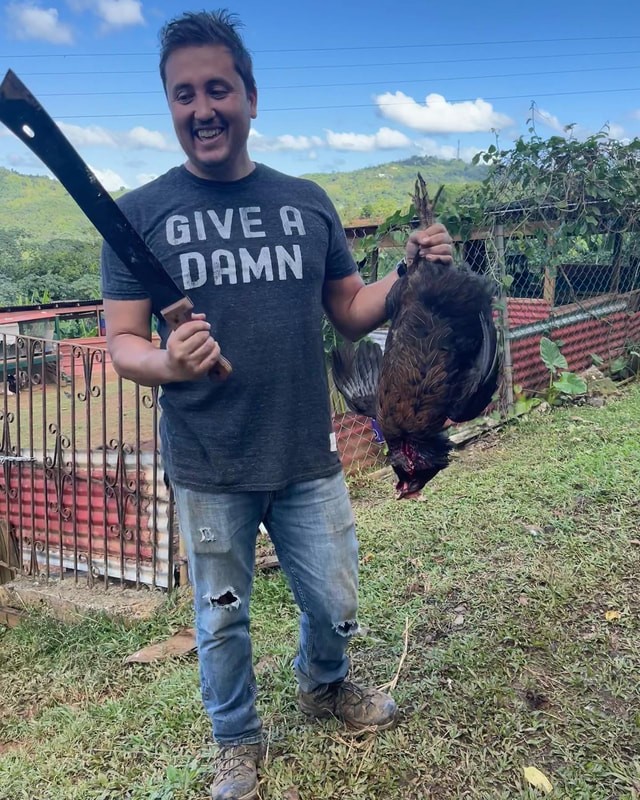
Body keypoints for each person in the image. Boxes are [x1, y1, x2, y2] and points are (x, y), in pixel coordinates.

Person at [101, 9, 454, 800]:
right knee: (222, 616)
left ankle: (324, 684)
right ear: (170, 107)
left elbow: (354, 308)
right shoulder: (140, 216)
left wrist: (412, 272)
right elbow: (123, 340)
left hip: (305, 453)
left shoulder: (305, 202)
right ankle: (236, 741)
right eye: (183, 94)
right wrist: (165, 359)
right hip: (209, 463)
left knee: (335, 598)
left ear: (251, 98)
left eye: (217, 88)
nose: (202, 109)